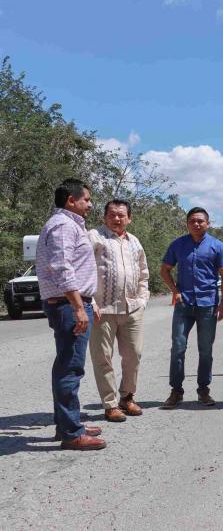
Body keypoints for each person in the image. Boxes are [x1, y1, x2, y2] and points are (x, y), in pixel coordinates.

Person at [36, 178, 106, 450]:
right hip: (67, 305)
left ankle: (67, 423)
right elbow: (62, 268)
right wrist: (79, 306)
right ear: (71, 200)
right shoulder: (64, 226)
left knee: (67, 364)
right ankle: (71, 433)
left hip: (71, 302)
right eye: (86, 199)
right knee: (70, 368)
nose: (90, 204)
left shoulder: (66, 224)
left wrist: (88, 302)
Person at [160, 207, 223, 408]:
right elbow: (164, 270)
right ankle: (176, 391)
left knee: (205, 350)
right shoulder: (178, 245)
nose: (196, 224)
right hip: (184, 305)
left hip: (208, 304)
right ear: (187, 224)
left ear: (208, 223)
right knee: (178, 348)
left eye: (200, 221)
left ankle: (203, 390)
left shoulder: (217, 246)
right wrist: (175, 290)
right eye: (192, 221)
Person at [87, 199, 149, 423]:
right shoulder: (95, 237)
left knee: (133, 355)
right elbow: (82, 267)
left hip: (132, 309)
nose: (116, 219)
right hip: (101, 309)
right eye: (112, 215)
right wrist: (89, 301)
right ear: (104, 217)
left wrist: (142, 299)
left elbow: (143, 272)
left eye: (121, 215)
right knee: (103, 357)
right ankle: (110, 404)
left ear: (129, 218)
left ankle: (127, 397)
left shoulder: (134, 241)